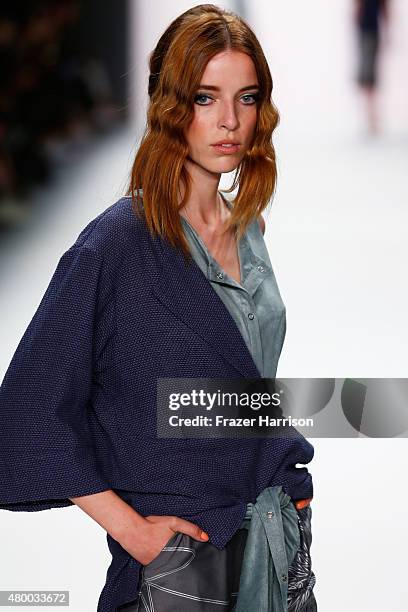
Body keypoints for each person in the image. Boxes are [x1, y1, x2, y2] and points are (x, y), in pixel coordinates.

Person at [0, 5, 316, 611]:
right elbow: (24, 413)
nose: (229, 121)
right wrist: (134, 532)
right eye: (205, 98)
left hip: (277, 543)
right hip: (186, 558)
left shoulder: (247, 229)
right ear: (170, 107)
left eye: (246, 98)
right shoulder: (120, 242)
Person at [354, 0, 391, 133]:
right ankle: (370, 117)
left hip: (371, 33)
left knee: (370, 77)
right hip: (366, 33)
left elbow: (385, 9)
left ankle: (372, 117)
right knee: (367, 77)